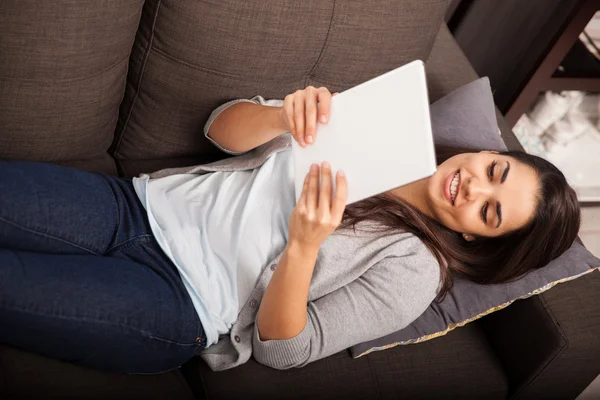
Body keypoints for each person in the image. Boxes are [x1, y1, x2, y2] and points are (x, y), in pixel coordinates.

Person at [0, 86, 580, 374]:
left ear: (479, 238)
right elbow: (219, 129)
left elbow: (285, 349)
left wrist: (303, 247)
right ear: (484, 153)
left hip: (178, 301)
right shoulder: (376, 126)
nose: (474, 187)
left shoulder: (416, 269)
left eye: (489, 212)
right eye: (494, 171)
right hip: (131, 205)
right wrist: (281, 115)